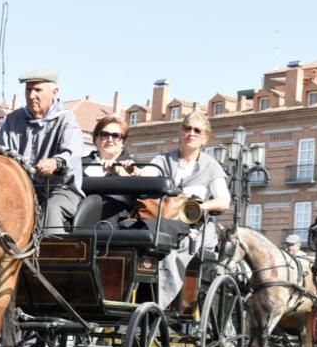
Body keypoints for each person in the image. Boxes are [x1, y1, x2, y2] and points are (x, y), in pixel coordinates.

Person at [147, 111, 230, 309]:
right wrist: (127, 170)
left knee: (172, 251)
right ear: (180, 132)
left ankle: (159, 305)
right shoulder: (164, 159)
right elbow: (145, 174)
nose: (191, 133)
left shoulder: (210, 166)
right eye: (187, 128)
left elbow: (223, 201)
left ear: (205, 138)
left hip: (195, 229)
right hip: (164, 222)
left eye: (196, 130)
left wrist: (200, 206)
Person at [0, 69, 84, 231]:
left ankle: (52, 255)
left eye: (37, 90)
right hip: (21, 189)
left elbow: (71, 152)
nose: (31, 96)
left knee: (51, 208)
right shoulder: (13, 120)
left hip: (60, 190)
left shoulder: (66, 119)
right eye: (28, 90)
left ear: (54, 92)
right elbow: (2, 155)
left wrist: (56, 162)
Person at [81, 115, 137, 225]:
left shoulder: (132, 166)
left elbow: (138, 197)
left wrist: (121, 172)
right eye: (104, 135)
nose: (110, 140)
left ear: (122, 141)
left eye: (116, 136)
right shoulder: (79, 164)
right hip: (79, 218)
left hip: (114, 223)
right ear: (96, 138)